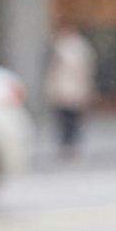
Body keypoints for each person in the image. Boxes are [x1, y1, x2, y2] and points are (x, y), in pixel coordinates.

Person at [44, 23, 96, 160]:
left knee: (71, 119)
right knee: (65, 119)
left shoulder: (76, 48)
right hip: (65, 89)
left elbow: (84, 71)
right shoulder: (59, 47)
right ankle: (67, 144)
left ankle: (70, 145)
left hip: (72, 89)